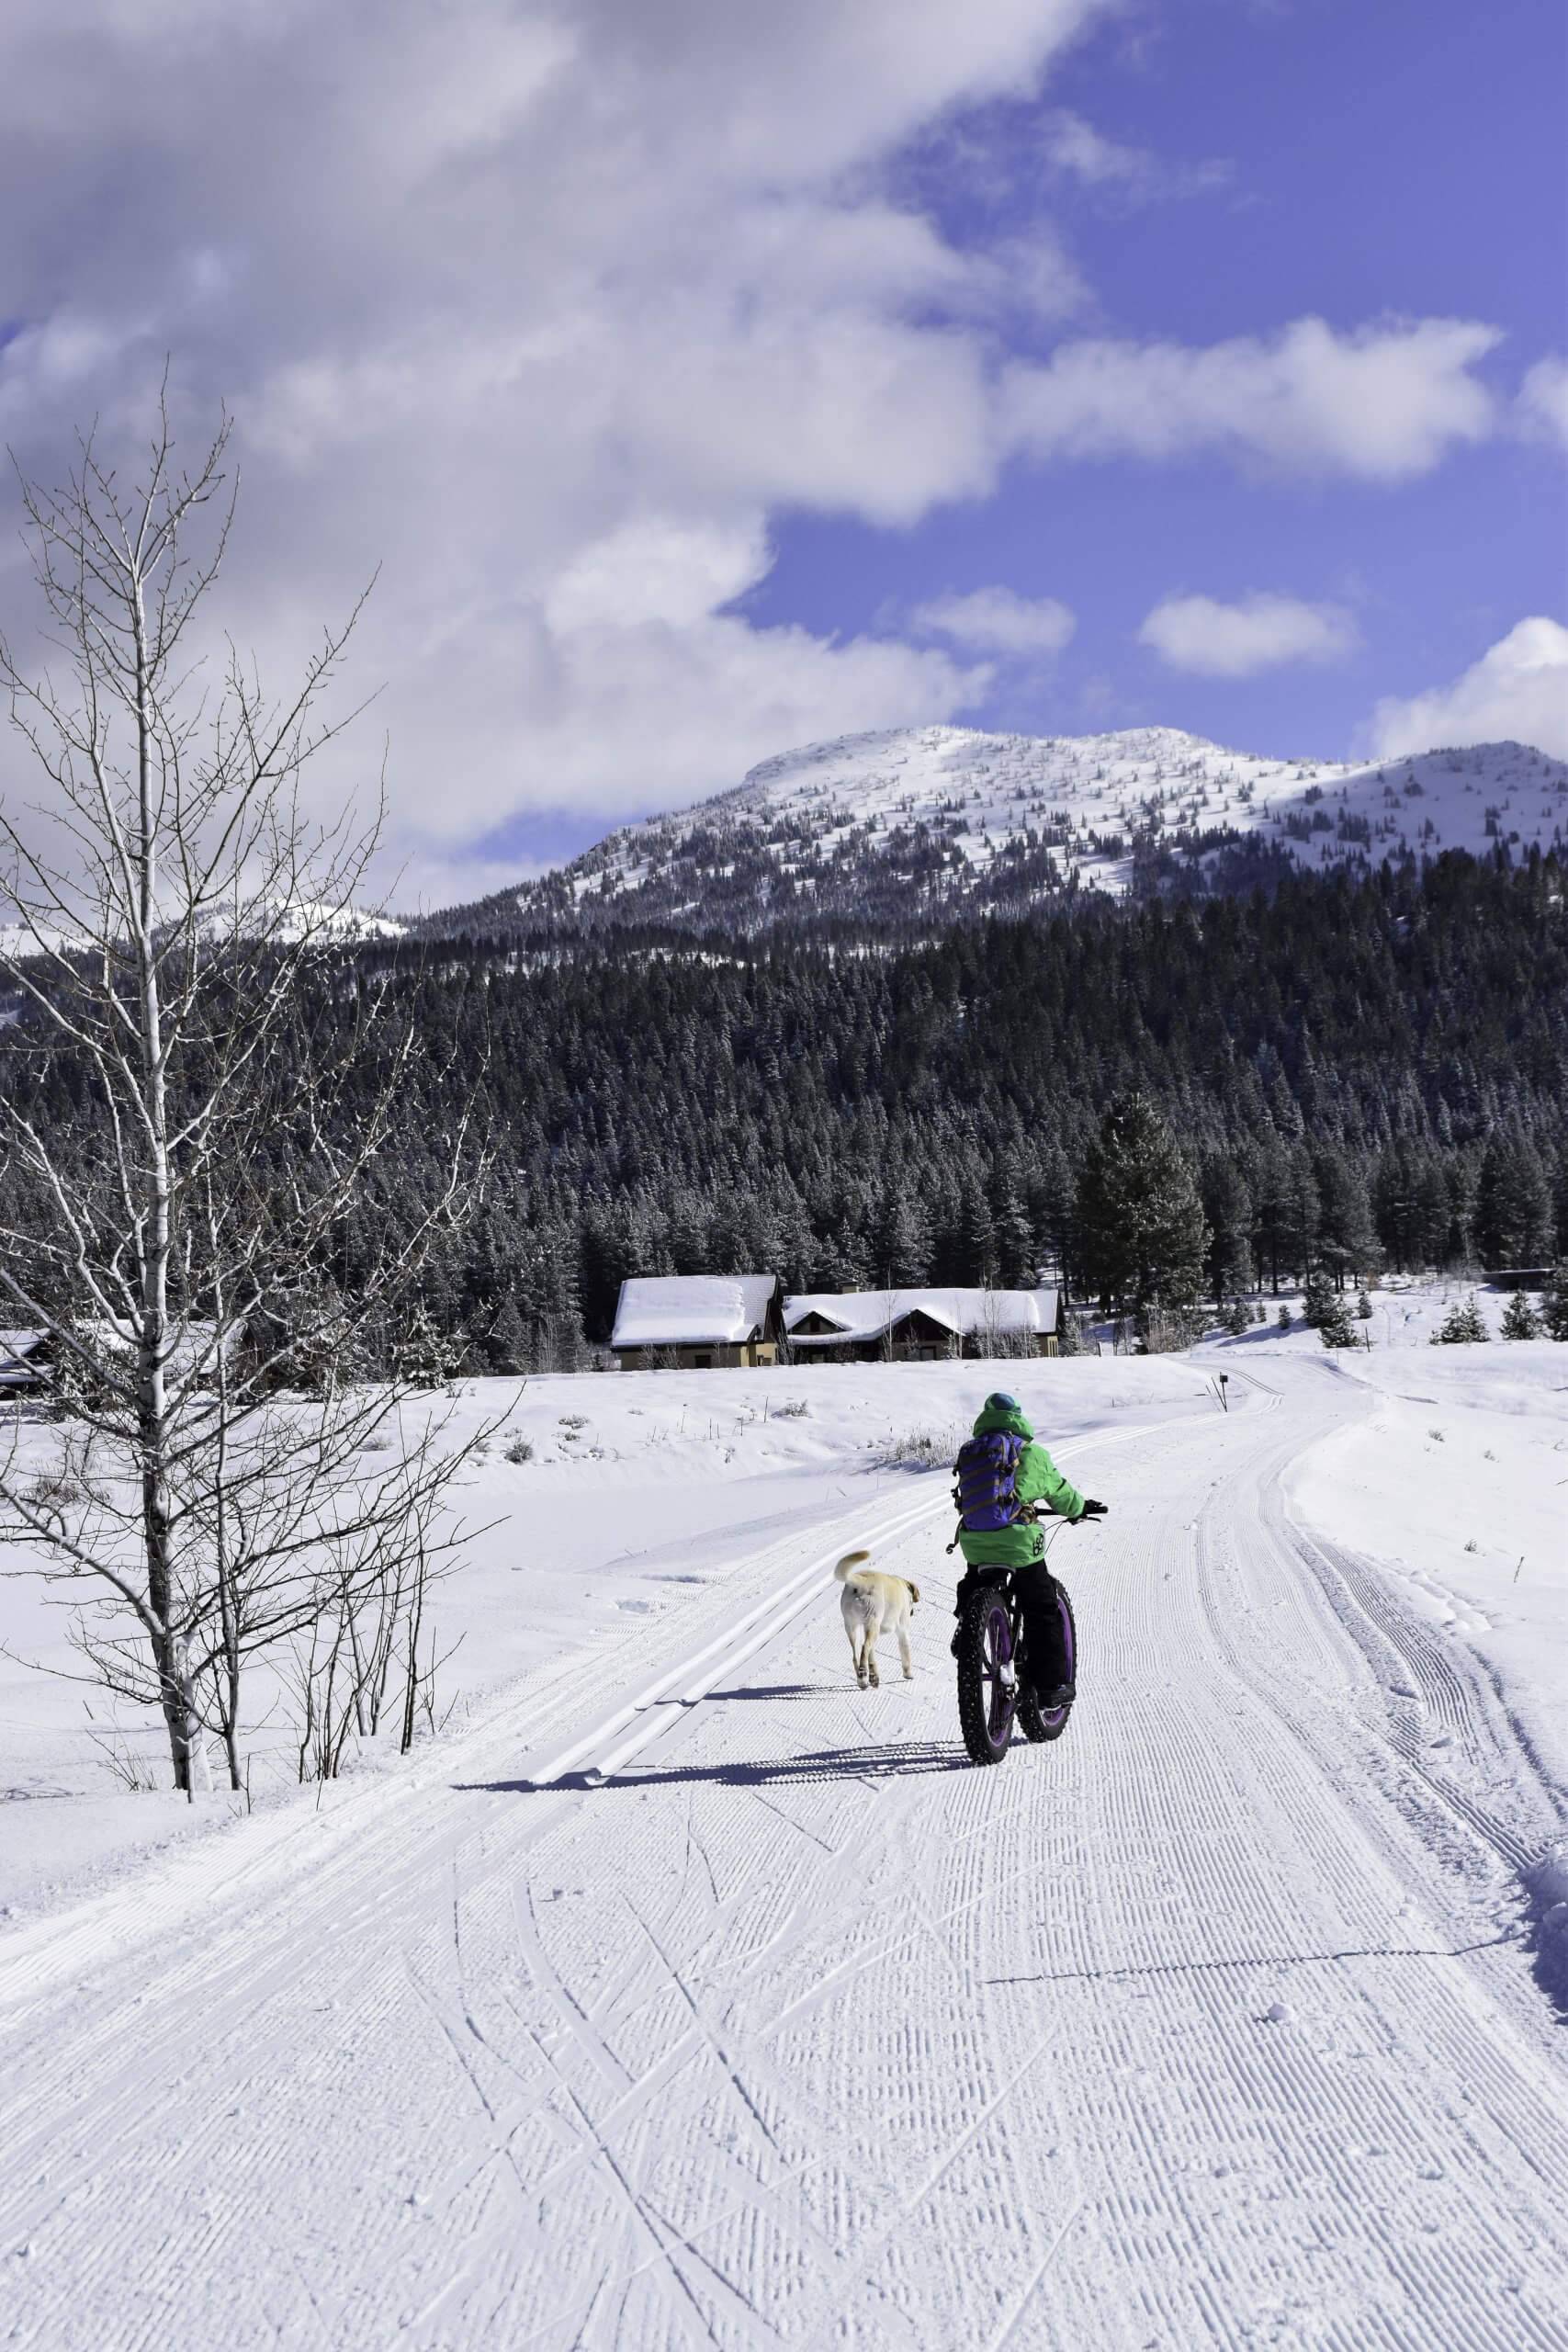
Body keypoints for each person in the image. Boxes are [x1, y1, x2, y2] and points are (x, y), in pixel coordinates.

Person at [949, 1391, 1106, 1705]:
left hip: (975, 1542)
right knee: (1042, 1607)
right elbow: (1058, 1491)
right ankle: (1051, 1688)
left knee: (975, 1582)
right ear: (1018, 1418)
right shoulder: (1030, 1453)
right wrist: (1077, 1508)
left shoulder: (973, 1452)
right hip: (1018, 1546)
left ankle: (968, 1626)